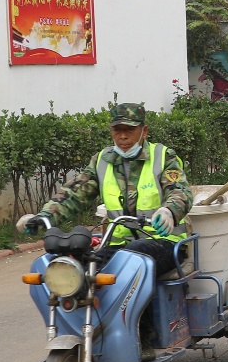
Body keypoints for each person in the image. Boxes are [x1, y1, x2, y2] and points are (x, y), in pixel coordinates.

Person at [22, 102, 192, 283]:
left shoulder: (163, 157)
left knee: (132, 257)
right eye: (117, 130)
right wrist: (43, 216)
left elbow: (179, 191)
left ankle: (143, 312)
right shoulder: (102, 161)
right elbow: (74, 193)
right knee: (79, 273)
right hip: (117, 246)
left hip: (163, 244)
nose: (123, 136)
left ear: (144, 131)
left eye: (130, 130)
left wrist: (169, 211)